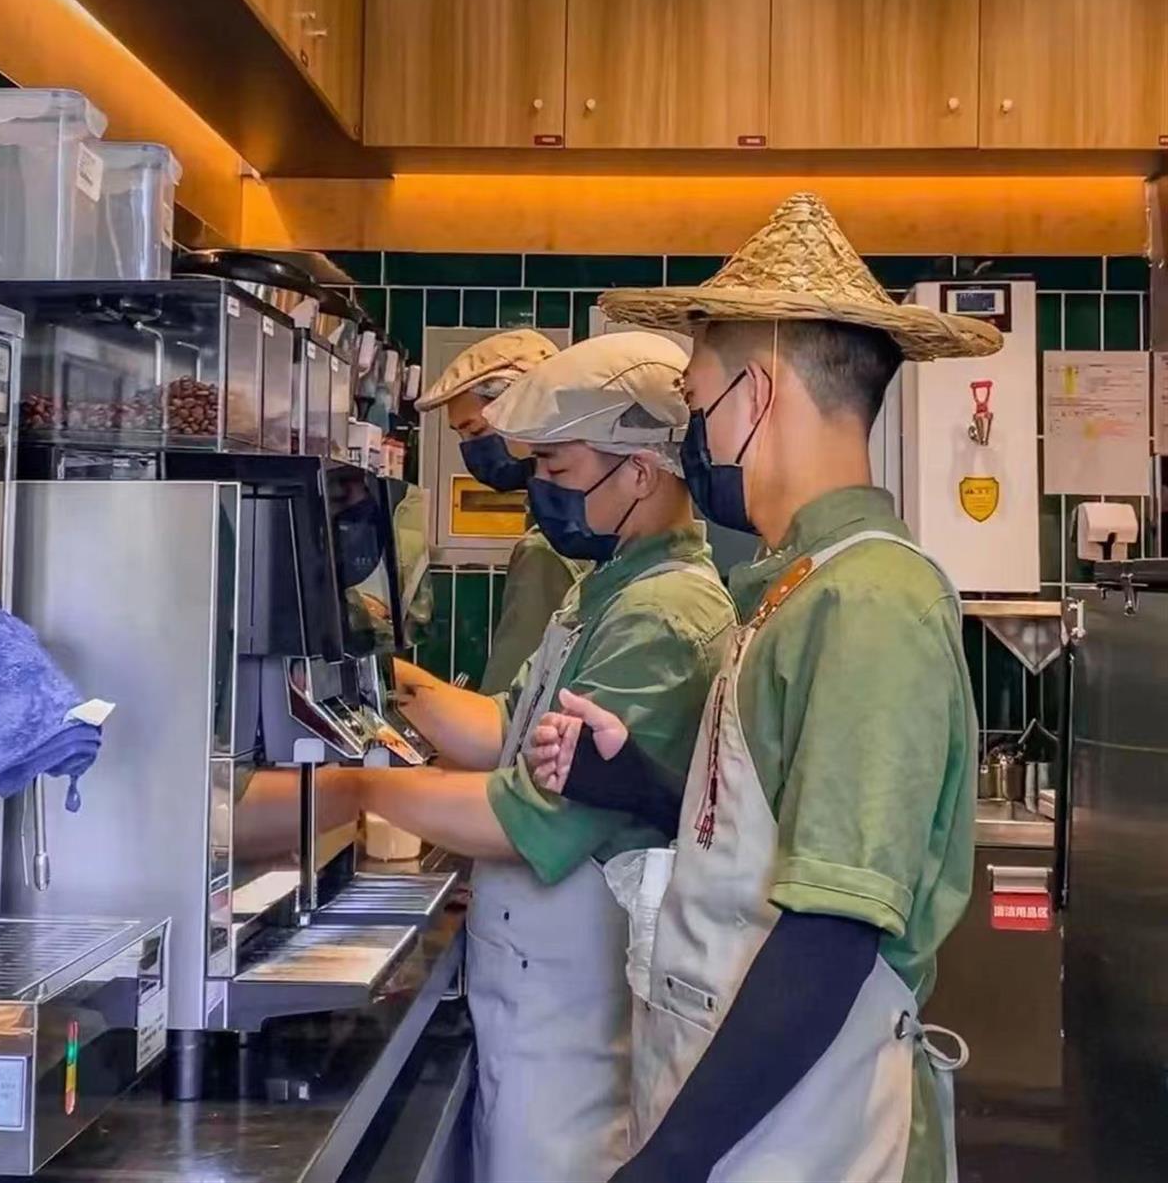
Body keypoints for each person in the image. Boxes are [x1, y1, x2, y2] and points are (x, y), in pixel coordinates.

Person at [529, 192, 1002, 1183]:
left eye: (695, 402)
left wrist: (669, 1162)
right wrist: (640, 785)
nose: (689, 438)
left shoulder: (870, 601)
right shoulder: (791, 585)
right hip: (743, 1122)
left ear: (756, 393)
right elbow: (773, 841)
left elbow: (833, 927)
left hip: (809, 1139)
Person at [352, 331, 736, 1183]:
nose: (543, 490)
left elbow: (535, 819)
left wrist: (357, 791)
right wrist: (385, 679)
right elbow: (506, 726)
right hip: (533, 990)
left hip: (574, 1014)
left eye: (557, 468)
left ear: (640, 473)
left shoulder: (662, 615)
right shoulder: (609, 586)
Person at [413, 328, 587, 694]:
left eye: (476, 432)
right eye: (462, 436)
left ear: (527, 414)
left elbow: (508, 707)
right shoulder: (570, 524)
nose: (470, 451)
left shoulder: (548, 549)